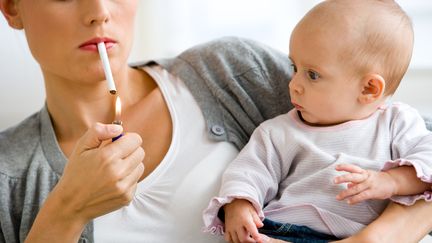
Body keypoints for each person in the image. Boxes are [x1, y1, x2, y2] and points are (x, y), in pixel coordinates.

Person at [0, 0, 431, 243]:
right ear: (12, 8)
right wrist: (65, 211)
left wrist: (379, 239)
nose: (98, 11)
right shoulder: (8, 176)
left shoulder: (231, 73)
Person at [203, 0, 432, 243]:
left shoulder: (397, 123)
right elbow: (249, 171)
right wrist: (240, 203)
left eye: (312, 74)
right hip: (281, 229)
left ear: (369, 88)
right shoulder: (278, 132)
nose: (293, 84)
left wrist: (391, 181)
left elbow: (428, 159)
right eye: (295, 67)